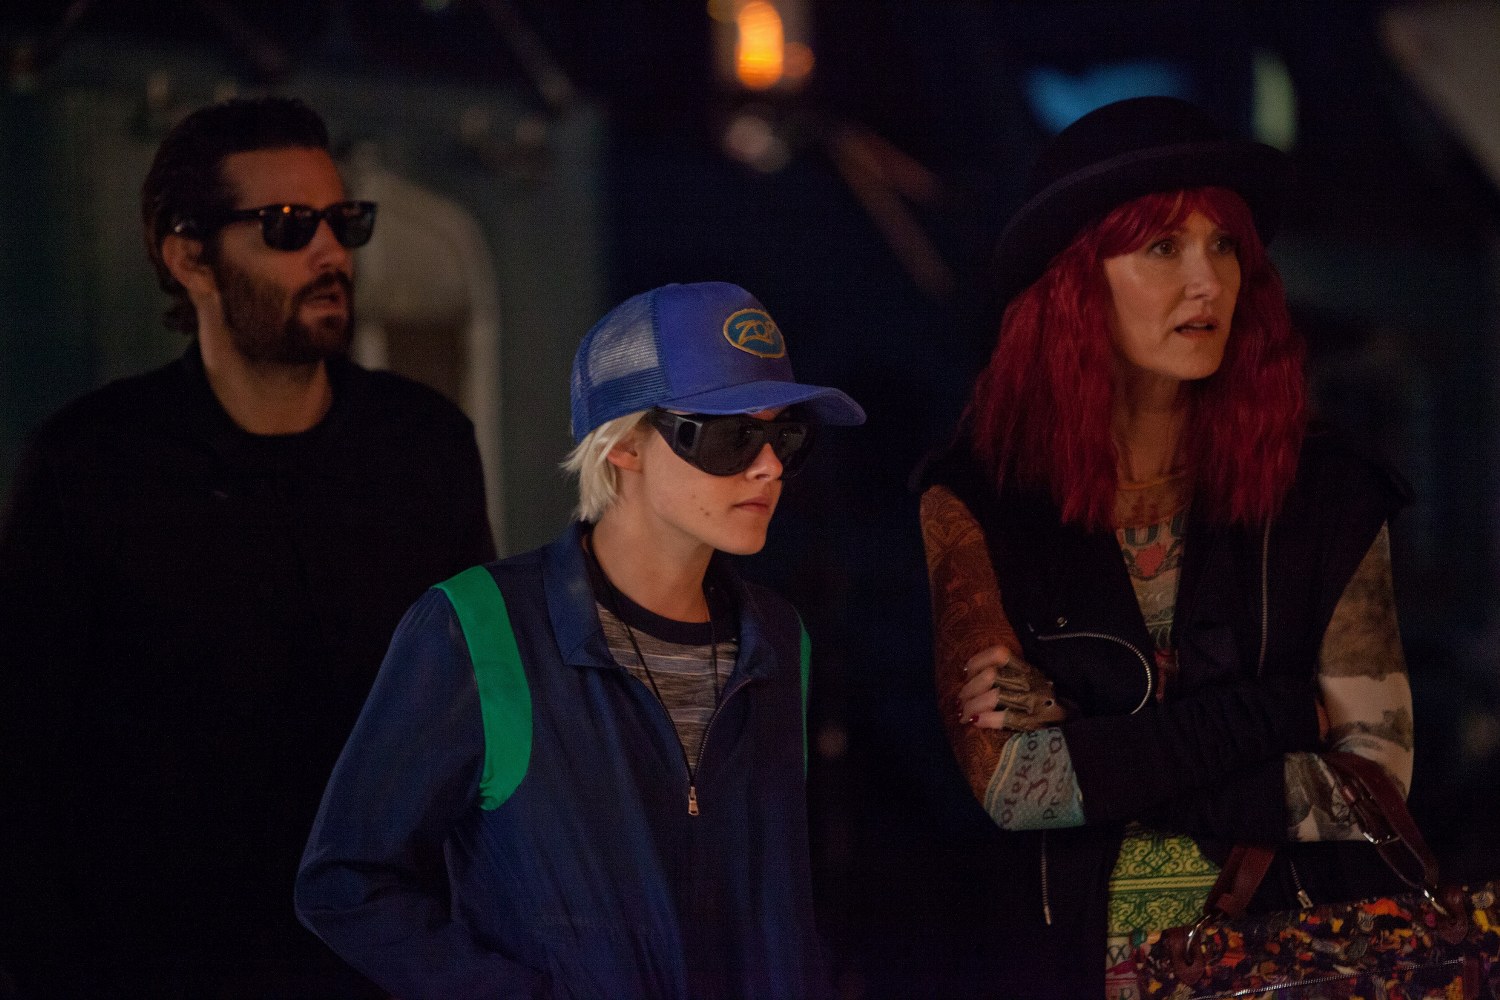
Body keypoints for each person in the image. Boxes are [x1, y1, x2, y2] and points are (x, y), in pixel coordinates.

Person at [917, 96, 1413, 999]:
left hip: (1300, 968)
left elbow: (1372, 786)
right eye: (1161, 247)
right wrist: (1273, 715)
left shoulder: (1328, 492)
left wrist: (1093, 739)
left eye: (1223, 245)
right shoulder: (980, 500)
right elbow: (1017, 788)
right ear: (1076, 283)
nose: (1208, 282)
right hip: (1079, 969)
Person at [0, 96, 495, 998]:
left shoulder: (423, 447)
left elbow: (479, 717)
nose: (331, 254)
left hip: (382, 965)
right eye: (288, 226)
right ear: (189, 257)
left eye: (343, 223)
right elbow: (23, 766)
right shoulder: (91, 465)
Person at [294, 281, 865, 999]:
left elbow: (789, 900)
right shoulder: (479, 628)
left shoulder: (780, 640)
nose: (770, 466)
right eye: (730, 436)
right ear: (623, 444)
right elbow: (346, 881)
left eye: (786, 436)